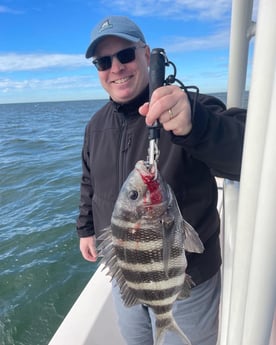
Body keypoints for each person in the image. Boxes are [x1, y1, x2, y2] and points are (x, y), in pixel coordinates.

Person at [76, 15, 246, 345]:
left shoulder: (189, 108)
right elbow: (89, 180)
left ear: (146, 54)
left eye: (125, 55)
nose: (116, 68)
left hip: (185, 277)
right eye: (103, 62)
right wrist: (85, 228)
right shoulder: (95, 125)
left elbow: (251, 154)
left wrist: (198, 125)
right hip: (125, 269)